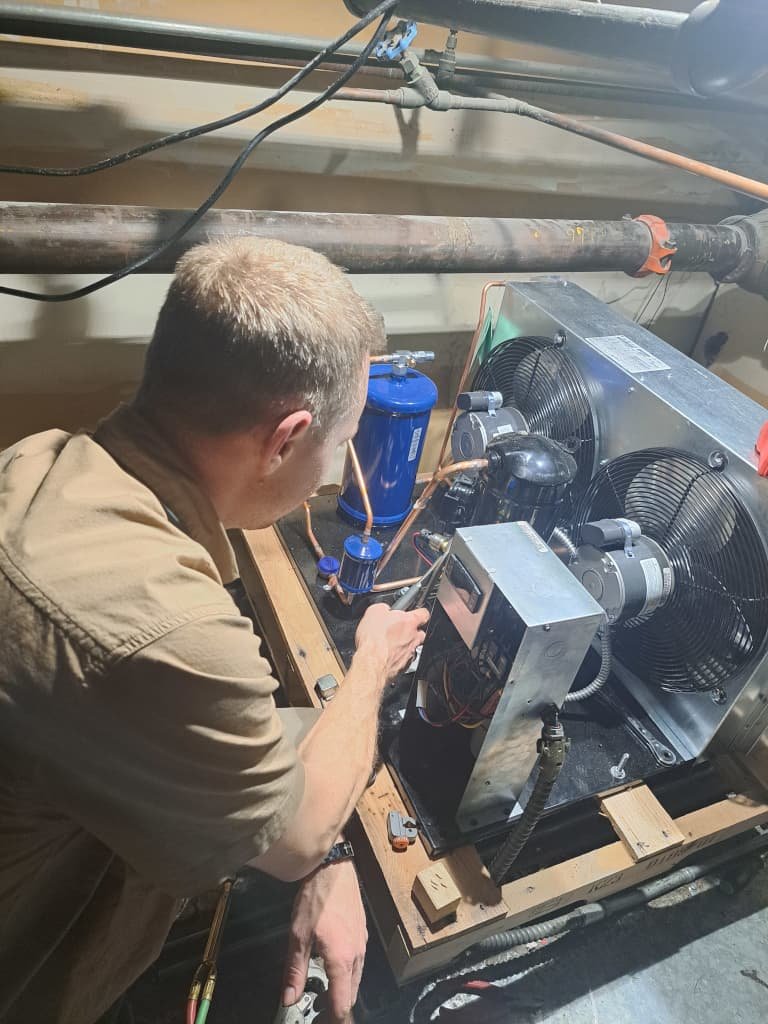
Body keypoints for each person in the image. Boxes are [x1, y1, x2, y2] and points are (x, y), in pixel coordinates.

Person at [0, 237, 428, 1024]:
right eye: (340, 445)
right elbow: (294, 835)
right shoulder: (171, 628)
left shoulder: (41, 462)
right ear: (288, 437)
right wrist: (372, 662)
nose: (336, 476)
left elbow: (248, 739)